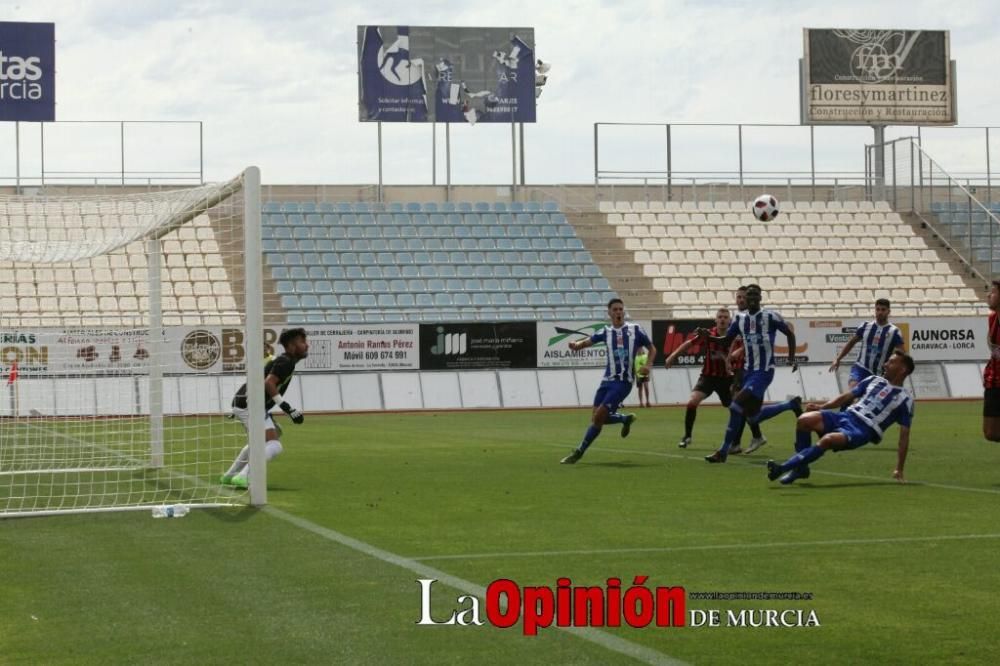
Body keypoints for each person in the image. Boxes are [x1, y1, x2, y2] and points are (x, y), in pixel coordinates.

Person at [768, 350, 915, 485]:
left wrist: (899, 468)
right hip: (846, 416)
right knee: (804, 420)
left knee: (827, 440)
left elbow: (904, 436)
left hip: (863, 430)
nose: (885, 364)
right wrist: (821, 407)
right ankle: (801, 468)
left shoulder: (905, 399)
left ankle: (782, 468)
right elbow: (846, 397)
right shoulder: (874, 380)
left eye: (891, 362)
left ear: (902, 369)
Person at [696, 284, 800, 463]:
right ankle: (790, 404)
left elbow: (789, 334)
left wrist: (791, 357)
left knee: (736, 406)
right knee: (753, 416)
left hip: (764, 372)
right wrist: (709, 337)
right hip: (748, 372)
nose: (751, 299)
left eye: (754, 296)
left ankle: (723, 451)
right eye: (748, 296)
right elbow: (726, 339)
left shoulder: (770, 316)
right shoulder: (740, 319)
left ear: (760, 298)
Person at [560, 298, 656, 464]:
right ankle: (624, 419)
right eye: (615, 310)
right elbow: (586, 342)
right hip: (606, 381)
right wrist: (575, 345)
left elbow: (652, 349)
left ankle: (579, 451)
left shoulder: (635, 329)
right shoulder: (606, 331)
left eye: (621, 309)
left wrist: (648, 365)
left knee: (599, 418)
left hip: (623, 382)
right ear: (609, 313)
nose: (619, 312)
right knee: (596, 418)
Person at [221, 328, 309, 488]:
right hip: (250, 404)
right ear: (291, 345)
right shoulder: (286, 361)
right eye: (302, 342)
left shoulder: (284, 361)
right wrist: (288, 409)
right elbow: (268, 383)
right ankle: (243, 476)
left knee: (269, 437)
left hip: (247, 403)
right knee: (274, 445)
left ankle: (231, 475)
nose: (306, 345)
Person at [664, 307, 733, 448]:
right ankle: (687, 436)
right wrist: (673, 356)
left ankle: (741, 439)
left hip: (727, 379)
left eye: (725, 317)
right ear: (716, 320)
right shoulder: (708, 334)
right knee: (692, 402)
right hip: (708, 377)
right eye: (720, 317)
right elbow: (689, 343)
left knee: (736, 409)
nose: (722, 319)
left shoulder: (734, 335)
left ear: (729, 320)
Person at [828, 298, 905, 388]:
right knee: (854, 389)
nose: (880, 312)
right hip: (861, 368)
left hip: (879, 374)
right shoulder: (865, 326)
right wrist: (838, 358)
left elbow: (902, 354)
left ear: (888, 311)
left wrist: (896, 372)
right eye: (878, 309)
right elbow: (851, 342)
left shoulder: (894, 331)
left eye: (883, 310)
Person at [727, 285, 766, 454]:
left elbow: (756, 341)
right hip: (740, 368)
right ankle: (752, 437)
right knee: (745, 407)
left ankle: (735, 443)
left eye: (743, 297)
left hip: (751, 369)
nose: (741, 300)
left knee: (739, 404)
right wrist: (729, 358)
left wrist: (740, 350)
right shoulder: (739, 319)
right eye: (739, 297)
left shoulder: (755, 319)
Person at [983, 281, 1000, 442]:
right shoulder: (992, 319)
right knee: (990, 433)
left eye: (993, 292)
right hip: (994, 380)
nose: (989, 295)